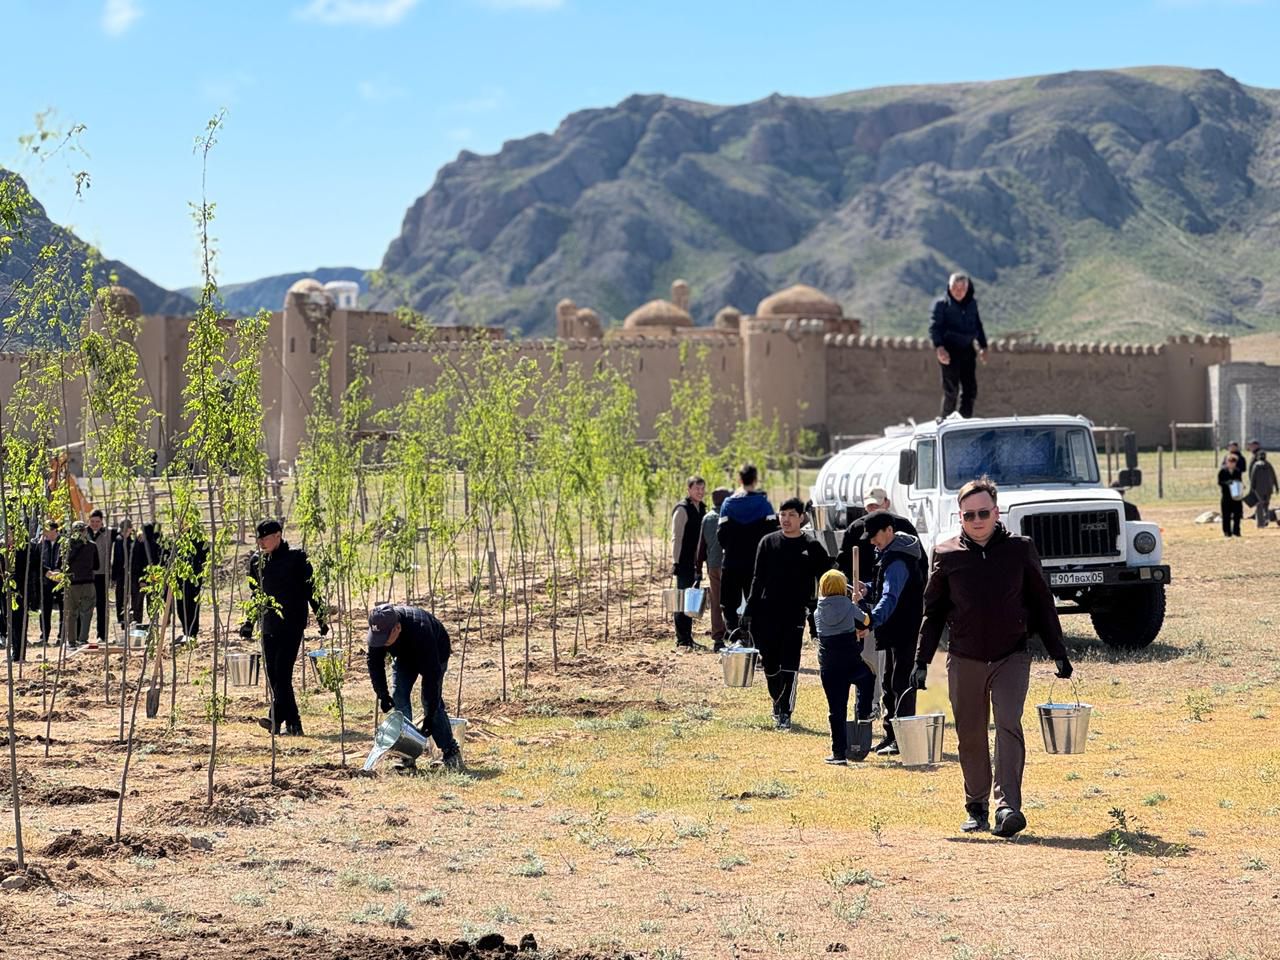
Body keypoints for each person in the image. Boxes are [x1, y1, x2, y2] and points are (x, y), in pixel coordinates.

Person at [915, 477, 1072, 838]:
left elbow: (1042, 602)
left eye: (984, 512)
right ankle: (976, 806)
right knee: (970, 733)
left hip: (1010, 655)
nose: (977, 519)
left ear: (997, 512)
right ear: (960, 517)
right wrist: (921, 662)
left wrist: (1058, 652)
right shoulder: (946, 554)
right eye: (969, 514)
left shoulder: (1020, 549)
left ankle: (1008, 808)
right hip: (964, 656)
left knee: (1008, 724)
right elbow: (933, 612)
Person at [742, 497, 831, 730]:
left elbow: (828, 577)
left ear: (802, 518)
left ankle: (785, 712)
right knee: (770, 664)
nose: (786, 520)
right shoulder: (768, 542)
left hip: (794, 614)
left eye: (792, 515)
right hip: (765, 612)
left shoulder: (811, 546)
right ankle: (777, 701)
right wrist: (749, 610)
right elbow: (757, 578)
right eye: (783, 515)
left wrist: (817, 614)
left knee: (789, 663)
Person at [240, 519, 328, 736]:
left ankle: (275, 717)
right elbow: (256, 595)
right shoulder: (256, 561)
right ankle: (292, 723)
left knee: (282, 671)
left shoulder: (296, 558)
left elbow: (311, 590)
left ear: (278, 535)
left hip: (292, 623)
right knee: (273, 674)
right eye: (258, 538)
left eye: (266, 538)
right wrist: (249, 623)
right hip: (268, 624)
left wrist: (322, 618)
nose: (261, 542)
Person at [856, 510, 927, 757]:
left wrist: (871, 620)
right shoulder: (887, 553)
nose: (872, 541)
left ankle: (903, 737)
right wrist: (868, 587)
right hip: (893, 627)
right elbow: (884, 585)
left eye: (875, 536)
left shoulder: (898, 559)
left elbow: (891, 596)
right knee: (888, 682)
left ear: (889, 530)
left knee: (901, 683)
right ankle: (891, 735)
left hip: (903, 626)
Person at [366, 603, 463, 771]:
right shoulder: (379, 631)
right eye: (378, 638)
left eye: (385, 639)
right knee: (399, 696)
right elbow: (374, 663)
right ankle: (407, 756)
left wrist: (430, 717)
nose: (381, 644)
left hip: (435, 654)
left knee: (430, 701)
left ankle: (451, 752)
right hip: (404, 656)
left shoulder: (421, 629)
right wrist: (382, 693)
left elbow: (432, 678)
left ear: (397, 628)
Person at [814, 569, 875, 765]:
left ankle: (838, 753)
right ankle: (864, 711)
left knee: (836, 710)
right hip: (850, 661)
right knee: (867, 677)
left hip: (830, 667)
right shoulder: (849, 606)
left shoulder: (817, 611)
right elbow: (866, 620)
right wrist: (859, 602)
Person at [717, 464, 778, 634]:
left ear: (739, 479)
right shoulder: (764, 504)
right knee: (757, 601)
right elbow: (773, 533)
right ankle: (755, 639)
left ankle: (735, 636)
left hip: (732, 562)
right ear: (756, 479)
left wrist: (732, 548)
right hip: (756, 563)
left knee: (729, 604)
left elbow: (721, 535)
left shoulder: (728, 504)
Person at [929, 272, 988, 419]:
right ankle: (945, 422)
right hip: (950, 351)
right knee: (951, 390)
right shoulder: (942, 305)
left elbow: (978, 325)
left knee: (970, 390)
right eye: (955, 288)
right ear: (949, 287)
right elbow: (935, 328)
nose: (958, 291)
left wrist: (983, 346)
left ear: (967, 288)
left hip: (967, 350)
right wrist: (939, 348)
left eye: (962, 288)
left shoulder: (972, 304)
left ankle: (964, 421)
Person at [837, 487, 921, 586]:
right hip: (864, 589)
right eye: (870, 505)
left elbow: (920, 559)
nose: (873, 508)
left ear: (887, 502)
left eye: (876, 505)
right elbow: (843, 562)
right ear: (865, 507)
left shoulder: (903, 525)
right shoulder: (855, 528)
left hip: (900, 587)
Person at [670, 476, 707, 650]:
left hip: (696, 562)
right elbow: (676, 538)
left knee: (691, 601)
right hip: (684, 562)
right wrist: (676, 561)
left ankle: (688, 638)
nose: (700, 492)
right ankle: (682, 639)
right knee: (682, 600)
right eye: (696, 489)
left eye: (702, 489)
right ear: (689, 489)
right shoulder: (682, 509)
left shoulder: (702, 509)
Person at [1, 535, 42, 662]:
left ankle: (19, 655)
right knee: (9, 622)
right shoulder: (2, 549)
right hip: (4, 591)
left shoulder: (26, 549)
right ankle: (14, 653)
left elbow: (36, 567)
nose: (8, 537)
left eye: (10, 534)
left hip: (21, 590)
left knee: (19, 622)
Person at [701, 487, 731, 650]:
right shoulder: (732, 516)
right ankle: (735, 633)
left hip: (713, 564)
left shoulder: (707, 518)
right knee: (734, 599)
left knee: (716, 601)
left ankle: (718, 638)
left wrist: (697, 568)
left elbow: (701, 545)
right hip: (731, 564)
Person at [63, 521, 100, 649]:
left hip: (71, 583)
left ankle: (71, 641)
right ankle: (83, 639)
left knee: (71, 613)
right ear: (85, 531)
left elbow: (60, 564)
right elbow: (97, 566)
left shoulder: (66, 547)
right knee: (87, 612)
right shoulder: (92, 546)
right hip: (88, 582)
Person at [175, 527, 208, 637]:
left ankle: (192, 632)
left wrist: (199, 568)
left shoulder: (198, 537)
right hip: (179, 578)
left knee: (192, 604)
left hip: (194, 577)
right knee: (180, 605)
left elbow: (206, 554)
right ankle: (185, 629)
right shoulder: (178, 537)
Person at [111, 519, 141, 629]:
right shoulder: (118, 540)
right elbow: (116, 560)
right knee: (120, 599)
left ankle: (136, 622)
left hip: (134, 574)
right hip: (121, 575)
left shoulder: (135, 541)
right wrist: (113, 577)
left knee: (135, 599)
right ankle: (122, 622)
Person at [87, 509, 111, 643]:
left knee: (102, 606)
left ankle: (102, 635)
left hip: (102, 574)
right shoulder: (84, 533)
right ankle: (81, 636)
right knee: (86, 605)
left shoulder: (109, 533)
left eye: (97, 522)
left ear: (102, 522)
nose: (95, 524)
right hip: (87, 575)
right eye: (92, 521)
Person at [37, 520, 63, 646]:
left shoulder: (63, 542)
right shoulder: (41, 543)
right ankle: (44, 636)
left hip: (60, 579)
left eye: (47, 530)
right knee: (45, 609)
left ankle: (62, 636)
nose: (45, 533)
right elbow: (39, 560)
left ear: (54, 530)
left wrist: (59, 570)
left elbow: (66, 558)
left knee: (63, 609)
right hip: (46, 580)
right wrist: (47, 572)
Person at [1217, 453, 1245, 538]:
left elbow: (1239, 480)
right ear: (1226, 462)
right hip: (1226, 496)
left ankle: (1236, 531)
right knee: (1226, 515)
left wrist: (1241, 485)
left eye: (1233, 462)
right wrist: (1227, 483)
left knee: (1237, 514)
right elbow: (1219, 482)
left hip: (1236, 496)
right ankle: (1227, 532)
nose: (1232, 463)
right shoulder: (1222, 471)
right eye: (1230, 461)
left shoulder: (1237, 471)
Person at [1249, 451, 1277, 529]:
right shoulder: (1269, 465)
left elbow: (1253, 478)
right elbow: (1274, 476)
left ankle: (1260, 523)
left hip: (1259, 489)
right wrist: (1276, 487)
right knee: (1266, 505)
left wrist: (1252, 488)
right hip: (1268, 489)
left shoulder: (1256, 465)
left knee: (1259, 506)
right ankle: (1266, 518)